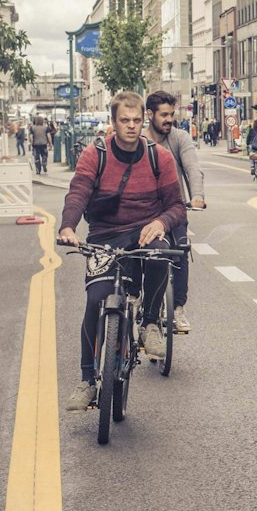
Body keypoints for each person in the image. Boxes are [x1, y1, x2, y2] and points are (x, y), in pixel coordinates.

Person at [57, 91, 187, 413]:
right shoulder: (95, 154)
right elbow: (78, 192)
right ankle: (88, 381)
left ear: (143, 122)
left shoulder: (160, 157)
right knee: (94, 301)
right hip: (105, 235)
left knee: (162, 252)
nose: (131, 126)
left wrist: (160, 222)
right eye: (124, 121)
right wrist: (68, 227)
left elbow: (176, 207)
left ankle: (149, 323)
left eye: (136, 120)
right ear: (113, 122)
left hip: (145, 231)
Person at [147, 91, 205, 335]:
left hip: (175, 207)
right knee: (144, 255)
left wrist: (197, 196)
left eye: (172, 114)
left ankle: (178, 309)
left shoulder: (180, 137)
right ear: (150, 115)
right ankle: (139, 299)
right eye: (164, 115)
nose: (169, 119)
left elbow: (192, 167)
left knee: (180, 249)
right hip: (145, 211)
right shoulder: (139, 139)